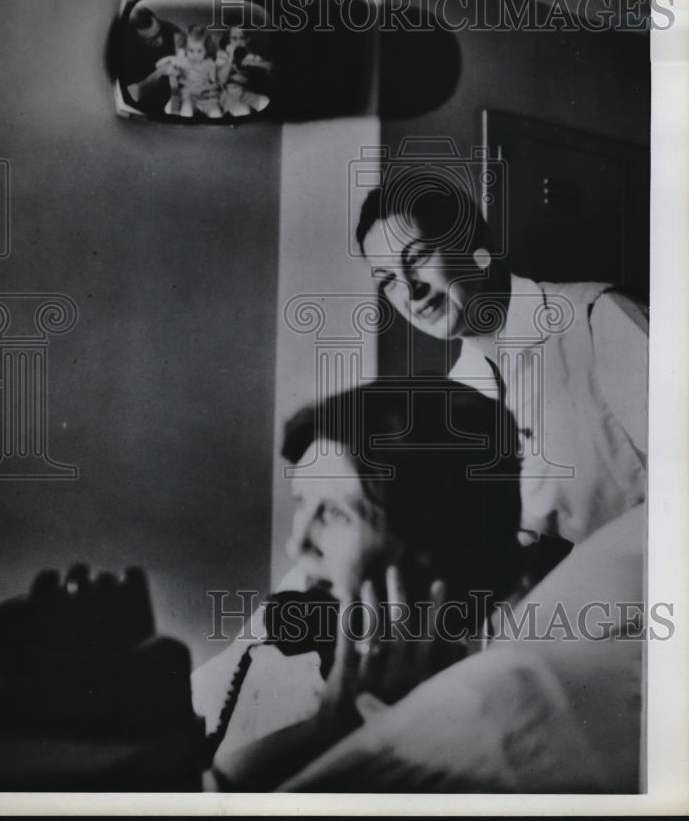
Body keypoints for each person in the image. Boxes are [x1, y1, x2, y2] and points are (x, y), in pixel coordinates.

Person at [192, 378, 525, 789]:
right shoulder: (309, 593)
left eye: (334, 514)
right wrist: (326, 727)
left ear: (431, 538)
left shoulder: (503, 704)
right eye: (302, 503)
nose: (297, 544)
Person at [356, 180, 647, 553]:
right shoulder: (457, 395)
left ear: (476, 241)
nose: (410, 291)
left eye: (417, 258)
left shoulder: (596, 318)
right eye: (388, 281)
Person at [122, 6, 184, 116]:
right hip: (146, 109)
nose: (161, 41)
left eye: (160, 31)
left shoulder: (171, 30)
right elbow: (133, 94)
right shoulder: (127, 50)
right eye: (152, 40)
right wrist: (159, 73)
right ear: (135, 39)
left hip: (176, 101)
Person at [162, 24, 223, 119]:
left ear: (206, 50)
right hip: (189, 96)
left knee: (216, 114)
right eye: (191, 50)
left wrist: (212, 88)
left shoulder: (210, 63)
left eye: (199, 51)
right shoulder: (183, 61)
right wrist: (172, 60)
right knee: (186, 112)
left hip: (207, 97)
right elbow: (158, 64)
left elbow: (214, 81)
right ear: (185, 49)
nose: (195, 55)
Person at [215, 25, 272, 117]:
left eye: (241, 38)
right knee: (243, 111)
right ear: (228, 39)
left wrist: (263, 66)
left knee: (265, 101)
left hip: (245, 93)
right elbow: (222, 80)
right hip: (227, 95)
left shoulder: (252, 56)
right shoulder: (222, 55)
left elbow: (268, 66)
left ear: (247, 40)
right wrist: (230, 57)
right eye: (234, 38)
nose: (238, 42)